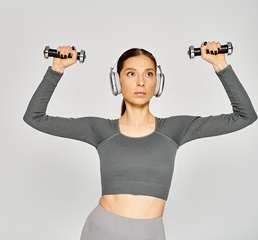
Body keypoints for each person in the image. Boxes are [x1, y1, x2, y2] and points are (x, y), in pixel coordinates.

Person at [23, 42, 257, 240]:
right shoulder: (100, 130)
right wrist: (57, 68)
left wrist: (220, 65)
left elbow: (245, 116)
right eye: (131, 74)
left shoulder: (175, 129)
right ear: (117, 82)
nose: (141, 82)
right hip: (101, 231)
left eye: (149, 73)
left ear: (158, 82)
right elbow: (35, 118)